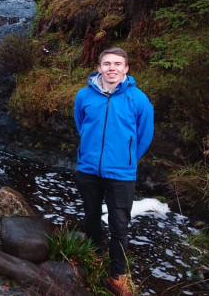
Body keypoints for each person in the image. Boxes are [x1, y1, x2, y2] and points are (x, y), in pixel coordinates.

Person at [74, 47, 154, 296]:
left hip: (121, 174)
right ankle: (95, 258)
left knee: (120, 225)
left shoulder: (138, 99)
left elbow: (145, 135)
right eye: (107, 63)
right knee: (91, 216)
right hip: (88, 170)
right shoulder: (83, 96)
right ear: (98, 68)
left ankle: (117, 276)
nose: (112, 68)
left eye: (117, 64)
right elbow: (81, 125)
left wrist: (127, 159)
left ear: (126, 69)